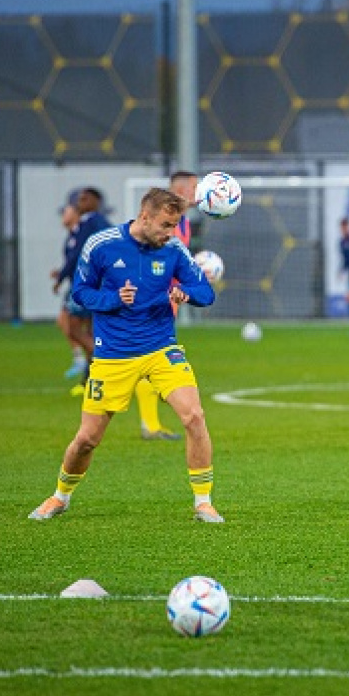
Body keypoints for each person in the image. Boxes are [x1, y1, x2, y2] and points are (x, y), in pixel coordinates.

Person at [29, 187, 224, 523]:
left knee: (194, 417)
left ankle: (203, 503)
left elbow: (205, 292)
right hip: (113, 355)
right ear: (144, 216)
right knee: (88, 439)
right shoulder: (102, 245)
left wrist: (185, 292)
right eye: (165, 225)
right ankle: (60, 496)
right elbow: (80, 294)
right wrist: (115, 299)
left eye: (174, 226)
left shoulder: (174, 249)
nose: (170, 233)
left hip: (162, 348)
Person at [134, 170, 200, 441]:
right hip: (154, 297)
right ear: (182, 190)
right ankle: (150, 424)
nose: (199, 193)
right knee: (149, 357)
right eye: (195, 187)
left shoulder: (182, 222)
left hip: (169, 296)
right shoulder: (160, 223)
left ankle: (152, 420)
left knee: (153, 356)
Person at [58, 187, 112, 396]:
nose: (81, 201)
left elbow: (79, 256)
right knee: (89, 331)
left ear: (96, 202)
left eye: (85, 198)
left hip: (87, 284)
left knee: (72, 328)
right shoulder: (85, 224)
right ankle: (90, 380)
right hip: (86, 282)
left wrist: (62, 277)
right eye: (79, 198)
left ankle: (102, 359)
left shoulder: (94, 221)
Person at [51, 191, 89, 379]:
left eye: (65, 211)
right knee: (68, 322)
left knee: (69, 322)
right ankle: (86, 360)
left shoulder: (82, 232)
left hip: (82, 286)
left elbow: (76, 259)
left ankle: (90, 358)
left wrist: (60, 279)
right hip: (76, 284)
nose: (63, 216)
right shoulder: (72, 235)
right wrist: (60, 273)